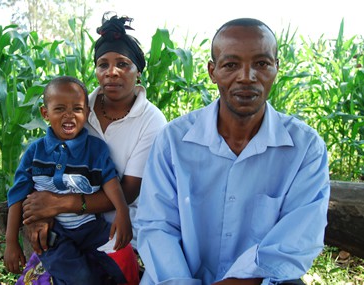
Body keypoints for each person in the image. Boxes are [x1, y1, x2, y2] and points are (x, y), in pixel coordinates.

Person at [135, 18, 330, 285]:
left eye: (261, 64)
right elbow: (157, 226)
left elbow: (297, 239)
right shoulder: (173, 141)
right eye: (231, 65)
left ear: (276, 68)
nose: (247, 77)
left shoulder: (304, 148)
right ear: (212, 71)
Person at [19, 12, 167, 285]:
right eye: (103, 64)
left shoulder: (151, 121)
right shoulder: (77, 108)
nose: (112, 72)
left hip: (121, 230)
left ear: (138, 71)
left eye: (123, 64)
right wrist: (38, 217)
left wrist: (58, 205)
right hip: (66, 227)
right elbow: (45, 161)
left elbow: (129, 190)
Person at [4, 76, 132, 284]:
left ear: (87, 113)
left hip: (90, 227)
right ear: (45, 114)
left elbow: (110, 181)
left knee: (123, 263)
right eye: (60, 109)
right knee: (81, 278)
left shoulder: (95, 149)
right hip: (53, 234)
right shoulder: (35, 152)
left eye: (77, 109)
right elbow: (17, 195)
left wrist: (122, 212)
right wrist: (11, 242)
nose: (69, 115)